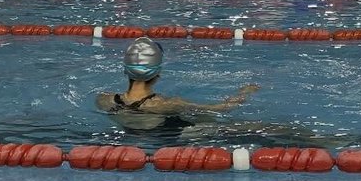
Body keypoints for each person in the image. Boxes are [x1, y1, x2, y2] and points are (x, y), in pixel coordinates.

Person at [95, 38, 259, 130]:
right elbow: (222, 109)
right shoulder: (167, 104)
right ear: (157, 74)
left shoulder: (104, 99)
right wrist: (246, 92)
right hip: (168, 139)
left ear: (126, 71)